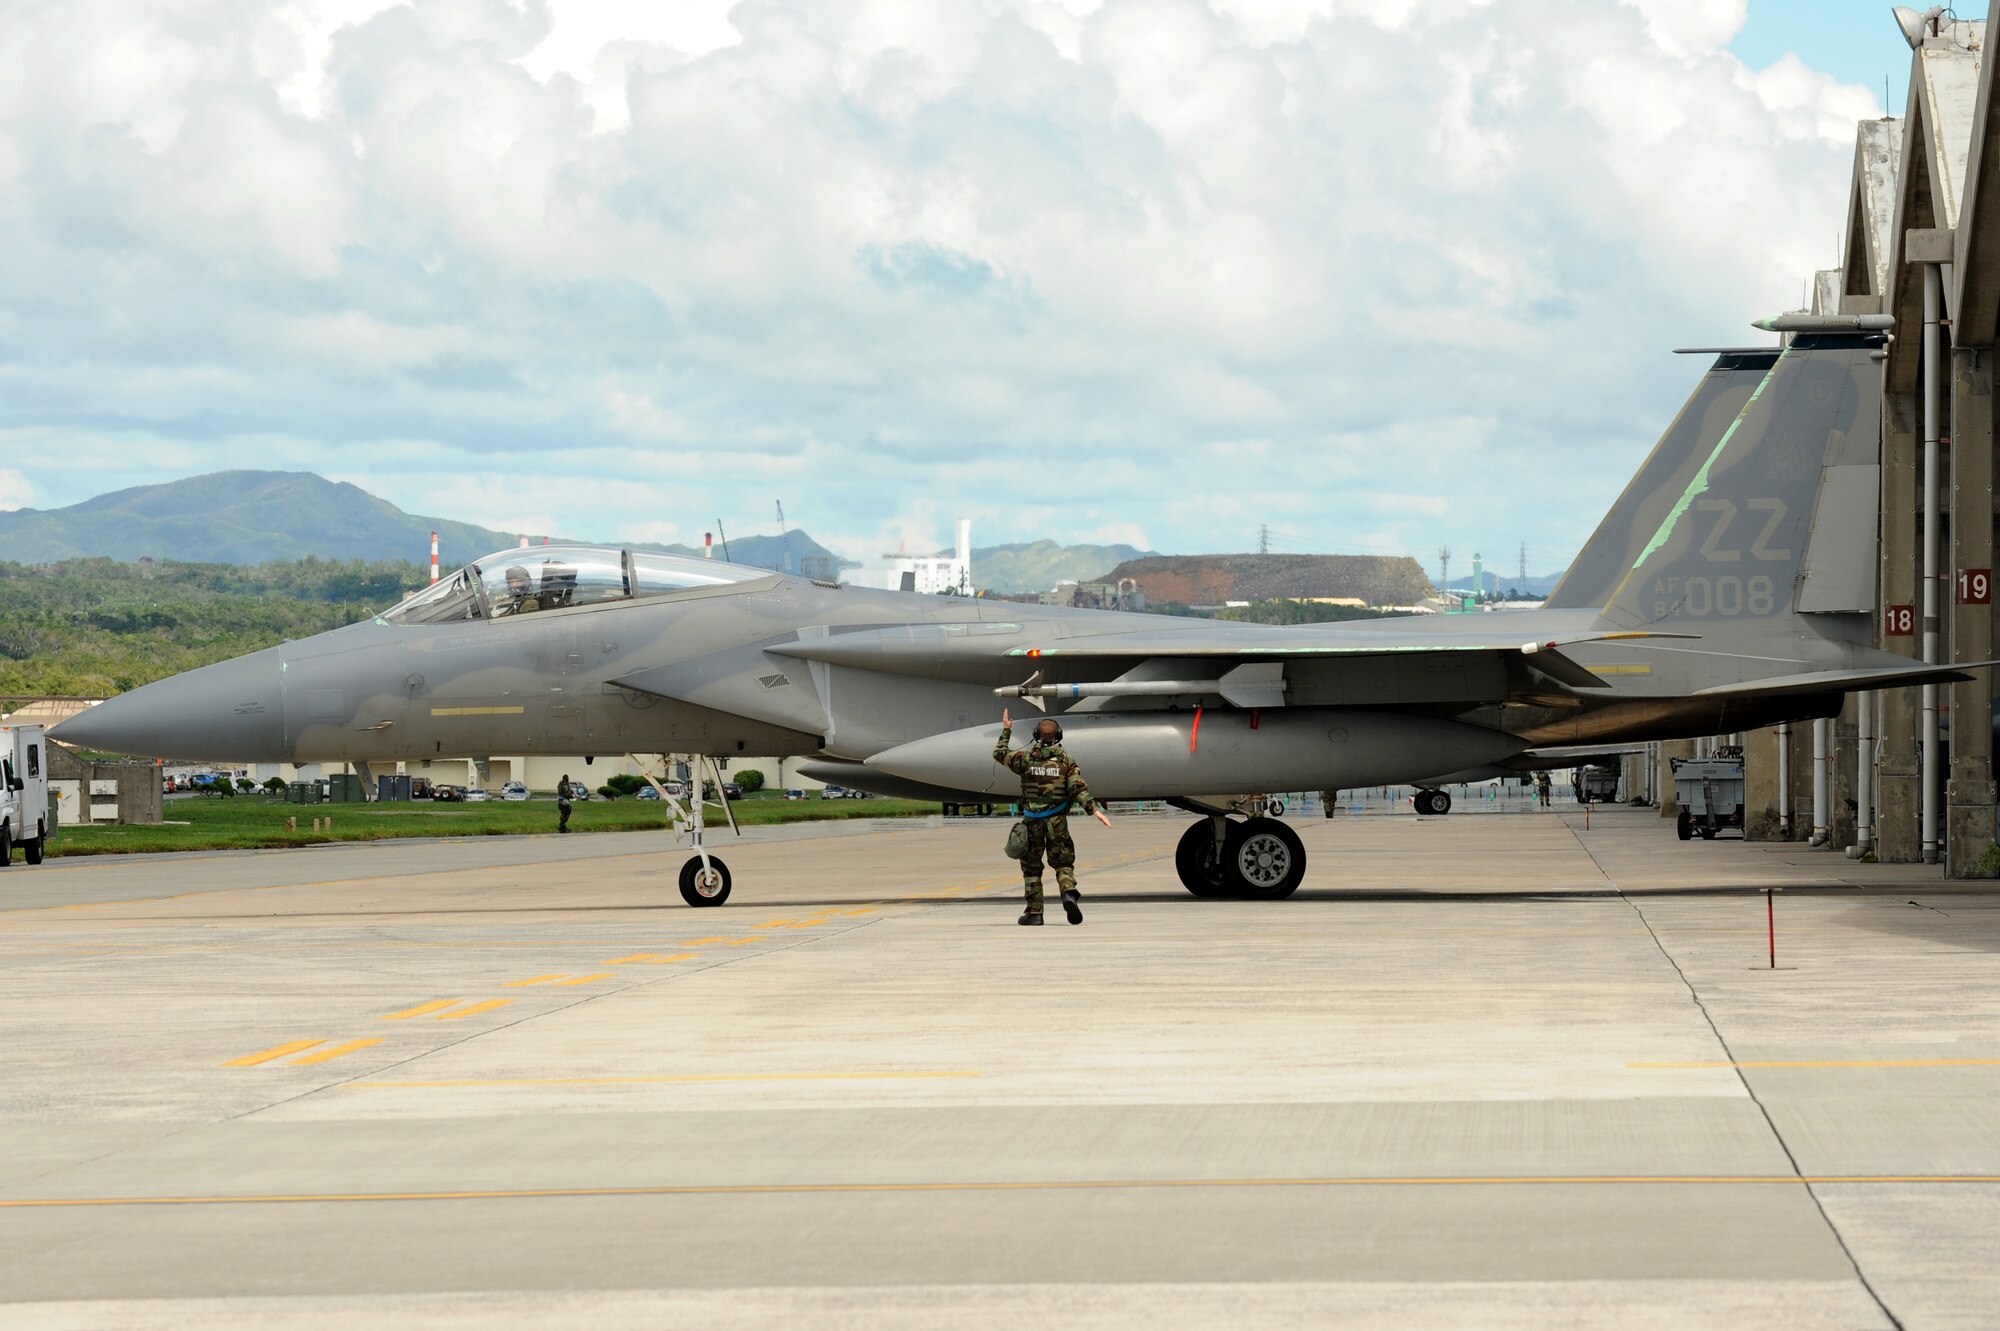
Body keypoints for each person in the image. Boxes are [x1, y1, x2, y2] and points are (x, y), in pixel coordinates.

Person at [993, 708, 1113, 926]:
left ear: (1036, 735)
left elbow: (999, 753)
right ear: (1058, 736)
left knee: (1031, 867)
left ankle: (1034, 913)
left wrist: (1006, 730)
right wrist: (1094, 810)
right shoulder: (1066, 761)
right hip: (1057, 822)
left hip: (1032, 821)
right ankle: (1068, 892)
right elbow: (1078, 788)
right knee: (1063, 863)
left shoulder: (1025, 759)